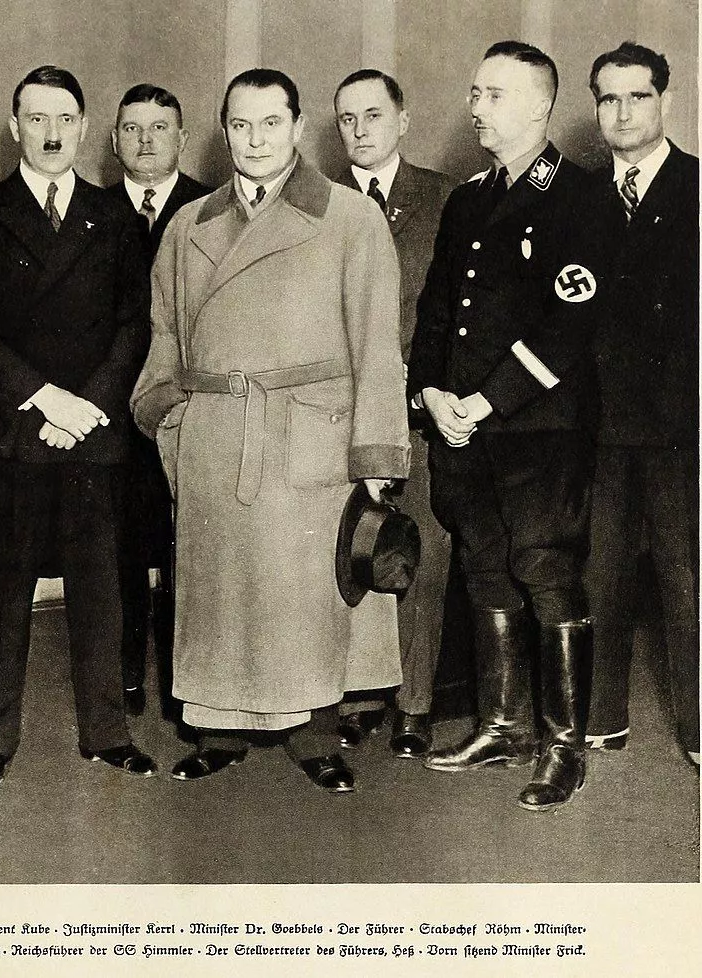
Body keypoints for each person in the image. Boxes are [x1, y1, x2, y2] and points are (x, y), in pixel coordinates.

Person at [131, 68, 409, 793]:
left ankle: (315, 733)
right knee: (216, 589)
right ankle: (218, 728)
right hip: (216, 432)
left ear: (297, 125)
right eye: (240, 125)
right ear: (224, 130)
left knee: (304, 593)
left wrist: (375, 453)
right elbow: (164, 336)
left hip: (308, 435)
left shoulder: (351, 218)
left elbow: (379, 344)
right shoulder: (188, 225)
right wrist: (169, 416)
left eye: (270, 124)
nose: (254, 140)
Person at [0, 65, 156, 790]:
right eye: (36, 118)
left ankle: (106, 731)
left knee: (101, 586)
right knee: (1, 589)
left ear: (86, 127)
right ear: (13, 127)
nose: (52, 131)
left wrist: (86, 405)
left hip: (92, 433)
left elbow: (134, 327)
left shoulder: (117, 217)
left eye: (65, 118)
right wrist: (45, 399)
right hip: (9, 431)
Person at [409, 41, 603, 811]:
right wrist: (431, 394)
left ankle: (564, 746)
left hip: (538, 431)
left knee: (547, 574)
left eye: (491, 94)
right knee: (485, 570)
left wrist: (484, 403)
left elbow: (569, 323)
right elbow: (434, 313)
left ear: (536, 105)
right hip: (463, 429)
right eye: (474, 90)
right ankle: (502, 724)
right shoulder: (468, 198)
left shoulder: (579, 198)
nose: (475, 106)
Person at [333, 68, 456, 758]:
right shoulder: (317, 202)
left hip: (420, 408)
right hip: (345, 411)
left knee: (425, 549)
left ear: (402, 120)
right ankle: (358, 695)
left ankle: (414, 704)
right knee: (353, 547)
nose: (360, 130)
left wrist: (425, 380)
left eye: (373, 115)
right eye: (347, 119)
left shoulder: (444, 199)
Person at [583, 42, 699, 768]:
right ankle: (600, 716)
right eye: (608, 99)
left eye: (638, 96)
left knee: (687, 576)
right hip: (595, 422)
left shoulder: (697, 187)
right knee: (598, 572)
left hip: (679, 422)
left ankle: (698, 724)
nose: (623, 112)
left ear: (665, 101)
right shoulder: (580, 198)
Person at [106, 83, 211, 717]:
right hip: (115, 411)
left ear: (180, 136)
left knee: (189, 551)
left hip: (190, 409)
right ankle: (123, 676)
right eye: (132, 128)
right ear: (114, 138)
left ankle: (185, 678)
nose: (145, 140)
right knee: (119, 549)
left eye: (159, 127)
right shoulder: (91, 211)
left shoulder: (211, 207)